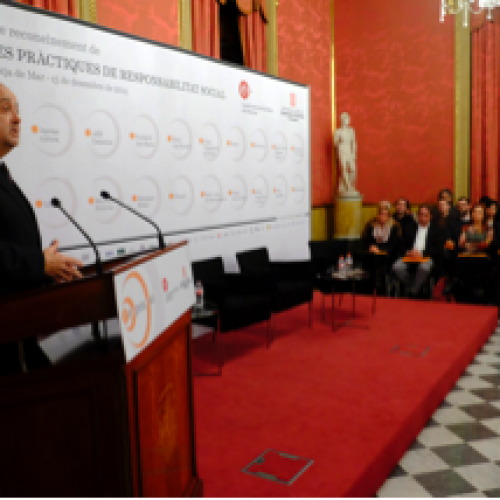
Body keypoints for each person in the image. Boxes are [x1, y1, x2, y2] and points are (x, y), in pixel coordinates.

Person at [0, 83, 83, 375]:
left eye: (18, 110)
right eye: (5, 108)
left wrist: (46, 268)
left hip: (20, 334)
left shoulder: (4, 176)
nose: (17, 118)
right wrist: (38, 263)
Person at [393, 204, 440, 297]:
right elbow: (402, 244)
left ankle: (413, 291)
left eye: (425, 215)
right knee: (397, 267)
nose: (422, 218)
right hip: (410, 256)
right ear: (417, 215)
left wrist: (422, 254)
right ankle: (413, 285)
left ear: (430, 217)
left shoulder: (436, 229)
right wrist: (408, 252)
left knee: (424, 268)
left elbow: (437, 248)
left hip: (426, 256)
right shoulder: (411, 227)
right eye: (420, 214)